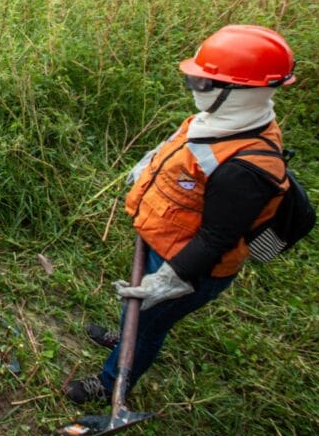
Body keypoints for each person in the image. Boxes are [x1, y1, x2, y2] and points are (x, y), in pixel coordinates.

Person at [66, 25, 297, 404]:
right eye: (194, 77)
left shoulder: (246, 170)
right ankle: (124, 335)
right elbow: (185, 148)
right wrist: (151, 165)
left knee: (148, 325)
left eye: (204, 83)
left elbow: (216, 239)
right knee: (135, 316)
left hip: (190, 266)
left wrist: (170, 279)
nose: (194, 87)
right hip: (167, 241)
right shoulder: (225, 122)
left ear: (243, 92)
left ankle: (111, 384)